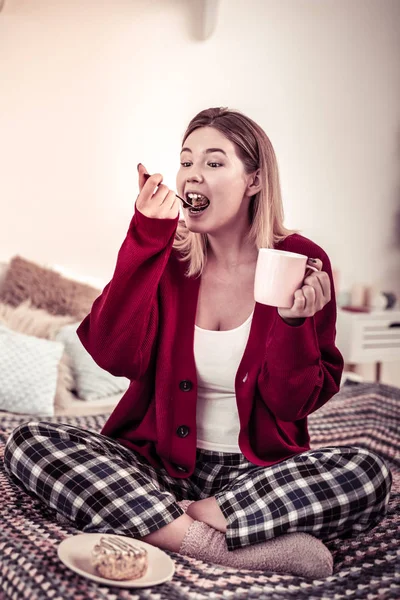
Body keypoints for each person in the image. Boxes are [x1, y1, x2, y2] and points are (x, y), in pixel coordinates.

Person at [4, 107, 392, 578]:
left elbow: (292, 404)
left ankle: (169, 518)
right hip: (155, 466)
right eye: (186, 161)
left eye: (213, 162)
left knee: (367, 472)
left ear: (253, 180)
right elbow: (111, 353)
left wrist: (293, 325)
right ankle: (214, 543)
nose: (192, 173)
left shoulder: (301, 261)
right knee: (27, 442)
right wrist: (146, 237)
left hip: (257, 475)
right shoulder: (164, 256)